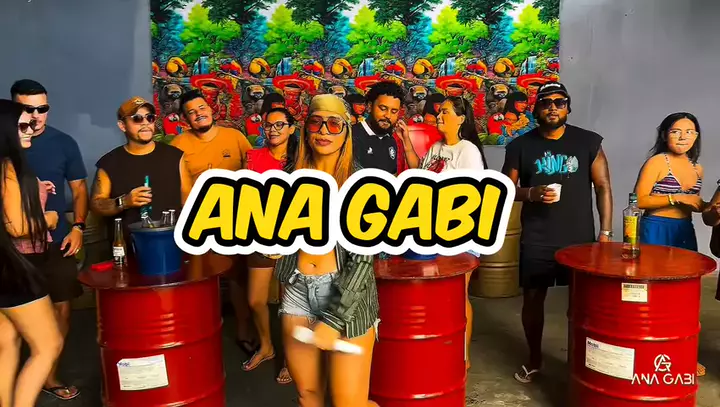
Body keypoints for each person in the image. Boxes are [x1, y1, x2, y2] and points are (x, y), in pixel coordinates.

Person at [500, 82, 613, 383]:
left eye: (559, 102)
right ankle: (534, 359)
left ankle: (579, 360)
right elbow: (504, 189)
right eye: (546, 102)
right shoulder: (520, 146)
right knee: (532, 300)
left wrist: (605, 233)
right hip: (537, 237)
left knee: (581, 304)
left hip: (578, 239)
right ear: (536, 109)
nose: (553, 107)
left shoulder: (588, 142)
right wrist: (531, 193)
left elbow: (603, 186)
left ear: (568, 107)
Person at [274, 94, 379, 407]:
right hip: (296, 290)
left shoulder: (361, 183)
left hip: (347, 295)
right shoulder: (289, 178)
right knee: (308, 395)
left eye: (334, 124)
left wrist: (334, 319)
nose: (323, 131)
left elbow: (363, 261)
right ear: (305, 129)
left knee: (349, 403)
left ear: (346, 131)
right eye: (316, 122)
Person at [10, 79, 86, 400]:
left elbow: (79, 190)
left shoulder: (63, 143)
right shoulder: (6, 149)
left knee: (60, 311)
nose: (36, 116)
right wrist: (46, 219)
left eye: (42, 109)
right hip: (13, 252)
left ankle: (49, 376)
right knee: (10, 332)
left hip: (56, 246)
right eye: (28, 110)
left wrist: (78, 227)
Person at [170, 89, 256, 356]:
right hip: (200, 219)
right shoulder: (178, 144)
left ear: (211, 108)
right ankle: (201, 334)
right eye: (191, 112)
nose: (198, 114)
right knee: (200, 278)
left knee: (239, 277)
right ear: (185, 120)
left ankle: (243, 330)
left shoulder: (235, 136)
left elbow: (254, 171)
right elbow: (182, 188)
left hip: (237, 218)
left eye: (202, 108)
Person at [0, 99, 64, 407]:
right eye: (23, 125)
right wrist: (49, 219)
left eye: (33, 123)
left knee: (7, 345)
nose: (32, 128)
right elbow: (17, 226)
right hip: (14, 272)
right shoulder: (7, 168)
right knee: (48, 346)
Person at [634, 112, 706, 377]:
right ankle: (650, 355)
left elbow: (698, 207)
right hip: (656, 228)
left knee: (685, 295)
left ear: (696, 137)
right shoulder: (657, 162)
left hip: (684, 230)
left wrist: (710, 208)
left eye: (689, 132)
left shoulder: (697, 168)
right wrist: (677, 198)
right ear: (665, 135)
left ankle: (682, 355)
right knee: (654, 295)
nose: (683, 137)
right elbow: (639, 200)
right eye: (676, 131)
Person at [419, 96, 487, 370]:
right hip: (432, 232)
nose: (439, 116)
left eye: (445, 112)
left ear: (460, 118)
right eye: (439, 112)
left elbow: (469, 195)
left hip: (460, 233)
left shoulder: (467, 150)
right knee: (436, 295)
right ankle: (440, 348)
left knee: (457, 295)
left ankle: (462, 357)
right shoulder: (435, 148)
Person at [90, 97, 192, 248]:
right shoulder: (109, 163)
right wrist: (124, 202)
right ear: (122, 125)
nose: (145, 123)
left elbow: (188, 202)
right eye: (137, 118)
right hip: (129, 247)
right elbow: (96, 204)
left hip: (172, 244)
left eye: (149, 118)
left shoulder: (175, 156)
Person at [242, 107, 296, 385]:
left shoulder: (300, 159)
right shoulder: (253, 157)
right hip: (260, 234)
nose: (273, 129)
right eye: (268, 125)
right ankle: (266, 347)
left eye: (279, 124)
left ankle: (291, 359)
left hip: (292, 238)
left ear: (291, 128)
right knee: (255, 300)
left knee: (290, 306)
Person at [352, 81, 420, 175]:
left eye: (394, 111)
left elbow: (417, 170)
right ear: (369, 106)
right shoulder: (350, 136)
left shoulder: (392, 140)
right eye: (383, 109)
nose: (388, 116)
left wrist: (406, 140)